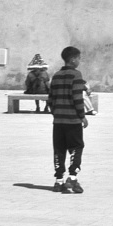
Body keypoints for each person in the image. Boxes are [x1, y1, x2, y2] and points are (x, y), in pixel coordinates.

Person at [48, 46, 89, 194]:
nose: (79, 61)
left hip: (58, 121)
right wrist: (82, 116)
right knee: (76, 147)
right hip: (72, 121)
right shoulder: (76, 75)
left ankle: (58, 180)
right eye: (78, 58)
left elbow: (50, 100)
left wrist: (56, 114)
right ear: (73, 59)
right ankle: (72, 178)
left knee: (59, 149)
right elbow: (77, 98)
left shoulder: (56, 76)